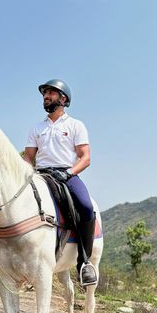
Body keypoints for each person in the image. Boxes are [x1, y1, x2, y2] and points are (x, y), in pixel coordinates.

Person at [24, 79, 98, 286]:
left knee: (85, 207)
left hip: (67, 175)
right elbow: (28, 157)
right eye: (44, 94)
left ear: (63, 98)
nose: (45, 96)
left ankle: (84, 263)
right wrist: (25, 172)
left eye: (50, 93)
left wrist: (68, 174)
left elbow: (85, 157)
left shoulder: (75, 125)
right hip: (40, 175)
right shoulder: (37, 128)